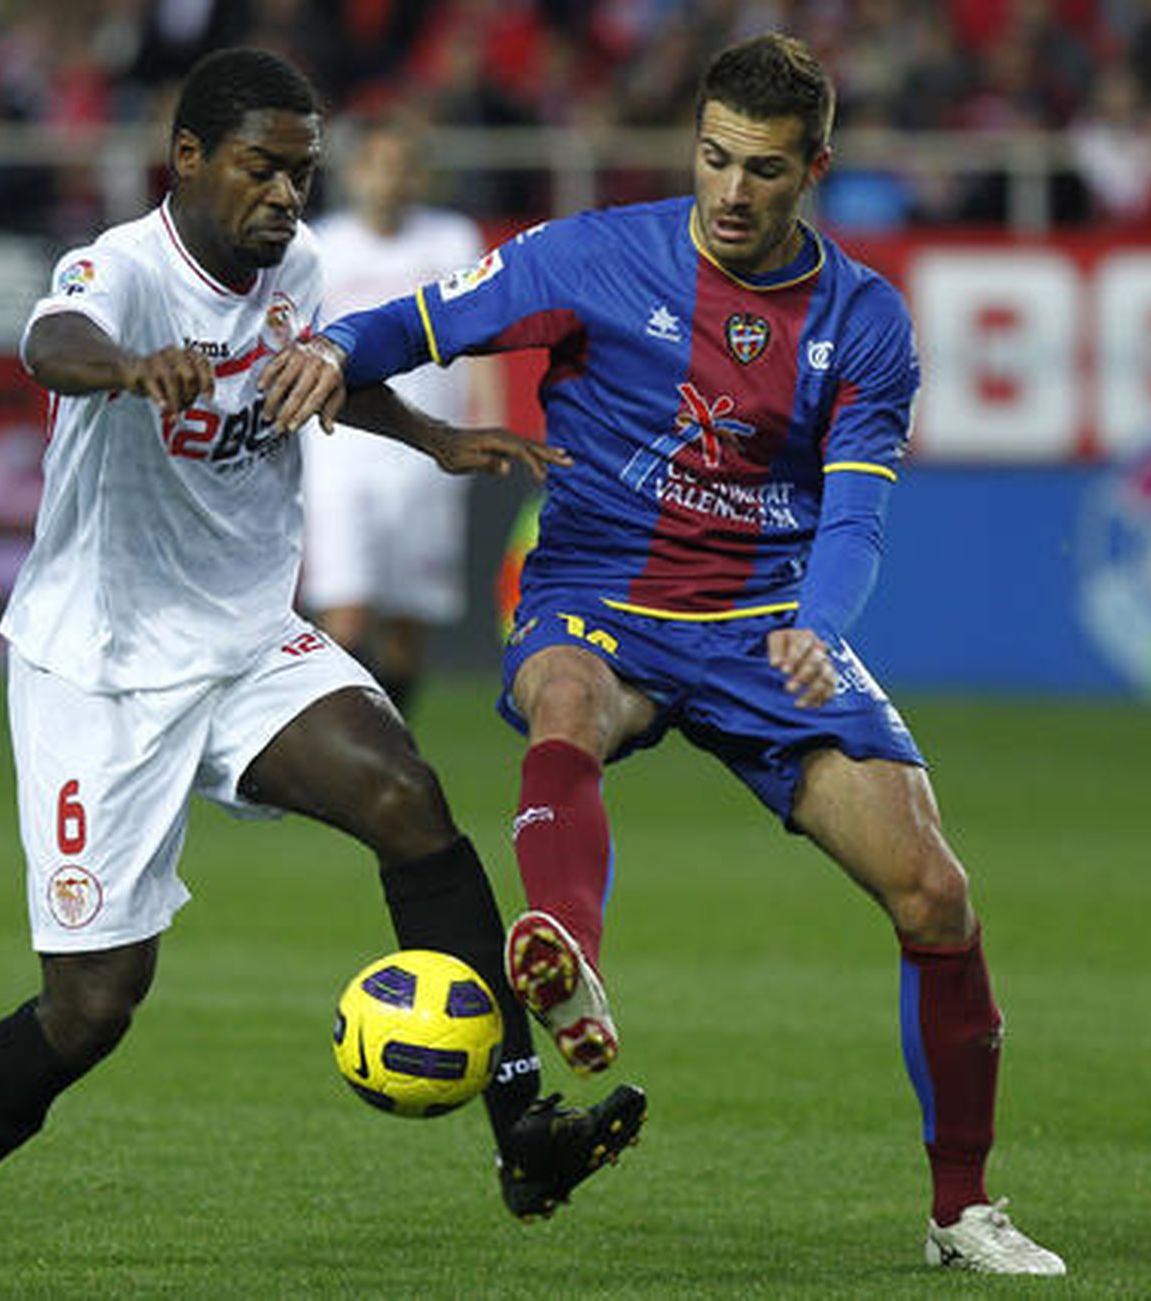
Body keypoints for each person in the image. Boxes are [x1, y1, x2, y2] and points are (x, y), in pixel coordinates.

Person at [261, 32, 1066, 1277]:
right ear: (691, 143)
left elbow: (854, 510)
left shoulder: (863, 321)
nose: (733, 191)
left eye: (764, 170)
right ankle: (565, 952)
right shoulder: (594, 256)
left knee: (936, 894)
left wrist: (820, 623)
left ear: (816, 171)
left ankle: (961, 1208)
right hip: (594, 593)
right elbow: (422, 320)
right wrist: (331, 353)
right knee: (564, 700)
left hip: (763, 625)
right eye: (714, 157)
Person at [0, 47, 645, 1269]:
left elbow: (308, 375)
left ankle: (524, 1126)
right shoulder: (116, 271)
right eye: (261, 168)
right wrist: (129, 368)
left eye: (301, 170)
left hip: (244, 638)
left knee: (412, 803)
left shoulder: (303, 265)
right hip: (100, 668)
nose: (287, 194)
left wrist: (429, 434)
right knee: (93, 1005)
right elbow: (49, 344)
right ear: (187, 159)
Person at [301, 113, 505, 715]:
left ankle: (392, 740)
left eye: (404, 166)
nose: (391, 180)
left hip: (426, 452)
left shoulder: (452, 241)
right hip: (338, 451)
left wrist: (485, 416)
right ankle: (336, 741)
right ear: (356, 172)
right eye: (380, 165)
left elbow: (482, 339)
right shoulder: (320, 246)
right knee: (345, 610)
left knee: (409, 621)